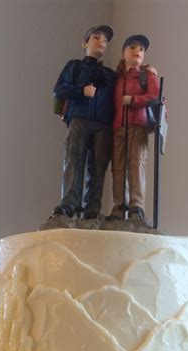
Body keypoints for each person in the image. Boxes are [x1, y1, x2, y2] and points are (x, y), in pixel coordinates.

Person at [52, 25, 115, 219]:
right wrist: (81, 91)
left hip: (103, 124)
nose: (101, 42)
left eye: (104, 40)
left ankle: (92, 209)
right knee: (74, 159)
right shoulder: (74, 67)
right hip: (79, 118)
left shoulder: (110, 74)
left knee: (98, 165)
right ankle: (69, 203)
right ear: (85, 42)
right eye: (96, 37)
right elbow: (59, 89)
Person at [107, 34, 160, 221]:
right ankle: (119, 206)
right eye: (132, 48)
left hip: (138, 124)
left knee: (137, 165)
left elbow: (155, 96)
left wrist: (135, 100)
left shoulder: (147, 76)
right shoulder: (117, 79)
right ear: (123, 53)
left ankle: (136, 206)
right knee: (118, 167)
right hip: (118, 126)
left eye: (141, 49)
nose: (137, 51)